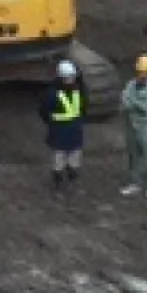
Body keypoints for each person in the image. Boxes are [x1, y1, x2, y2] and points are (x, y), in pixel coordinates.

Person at [39, 59, 86, 193]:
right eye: (68, 77)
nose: (70, 80)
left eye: (72, 77)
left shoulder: (79, 90)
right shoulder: (52, 93)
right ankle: (58, 183)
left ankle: (72, 180)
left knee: (74, 159)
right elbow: (44, 111)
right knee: (59, 159)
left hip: (74, 130)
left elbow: (83, 107)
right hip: (60, 131)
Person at [120, 55, 147, 199]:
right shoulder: (131, 85)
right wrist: (135, 105)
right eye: (140, 72)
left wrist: (134, 104)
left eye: (145, 72)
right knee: (134, 156)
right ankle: (135, 183)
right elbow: (125, 102)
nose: (141, 75)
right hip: (132, 124)